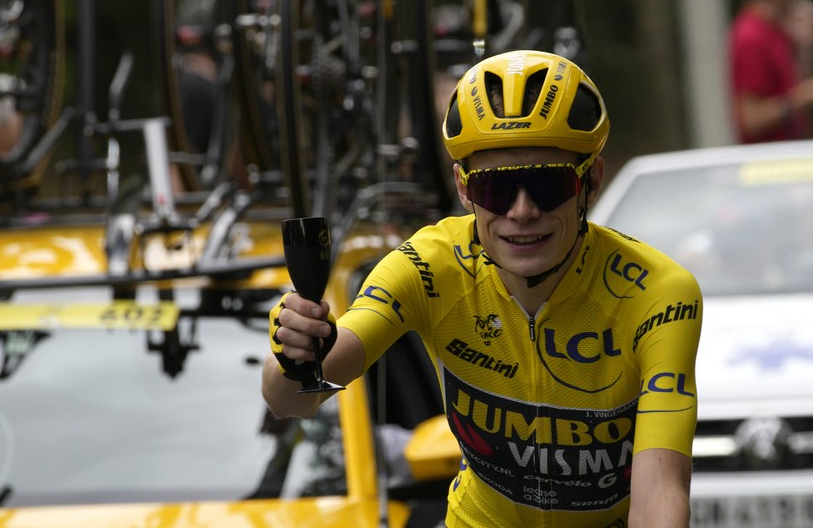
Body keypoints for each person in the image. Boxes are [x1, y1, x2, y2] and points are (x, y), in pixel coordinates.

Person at [263, 50, 702, 527]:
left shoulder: (657, 294)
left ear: (590, 182)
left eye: (547, 185)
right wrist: (294, 351)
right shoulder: (429, 266)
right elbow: (293, 401)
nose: (521, 211)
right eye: (495, 189)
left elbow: (660, 493)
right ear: (464, 188)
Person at [729, 0, 813, 144]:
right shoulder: (751, 36)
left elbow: (789, 86)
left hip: (783, 157)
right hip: (768, 165)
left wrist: (803, 46)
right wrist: (804, 98)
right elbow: (751, 119)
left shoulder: (773, 31)